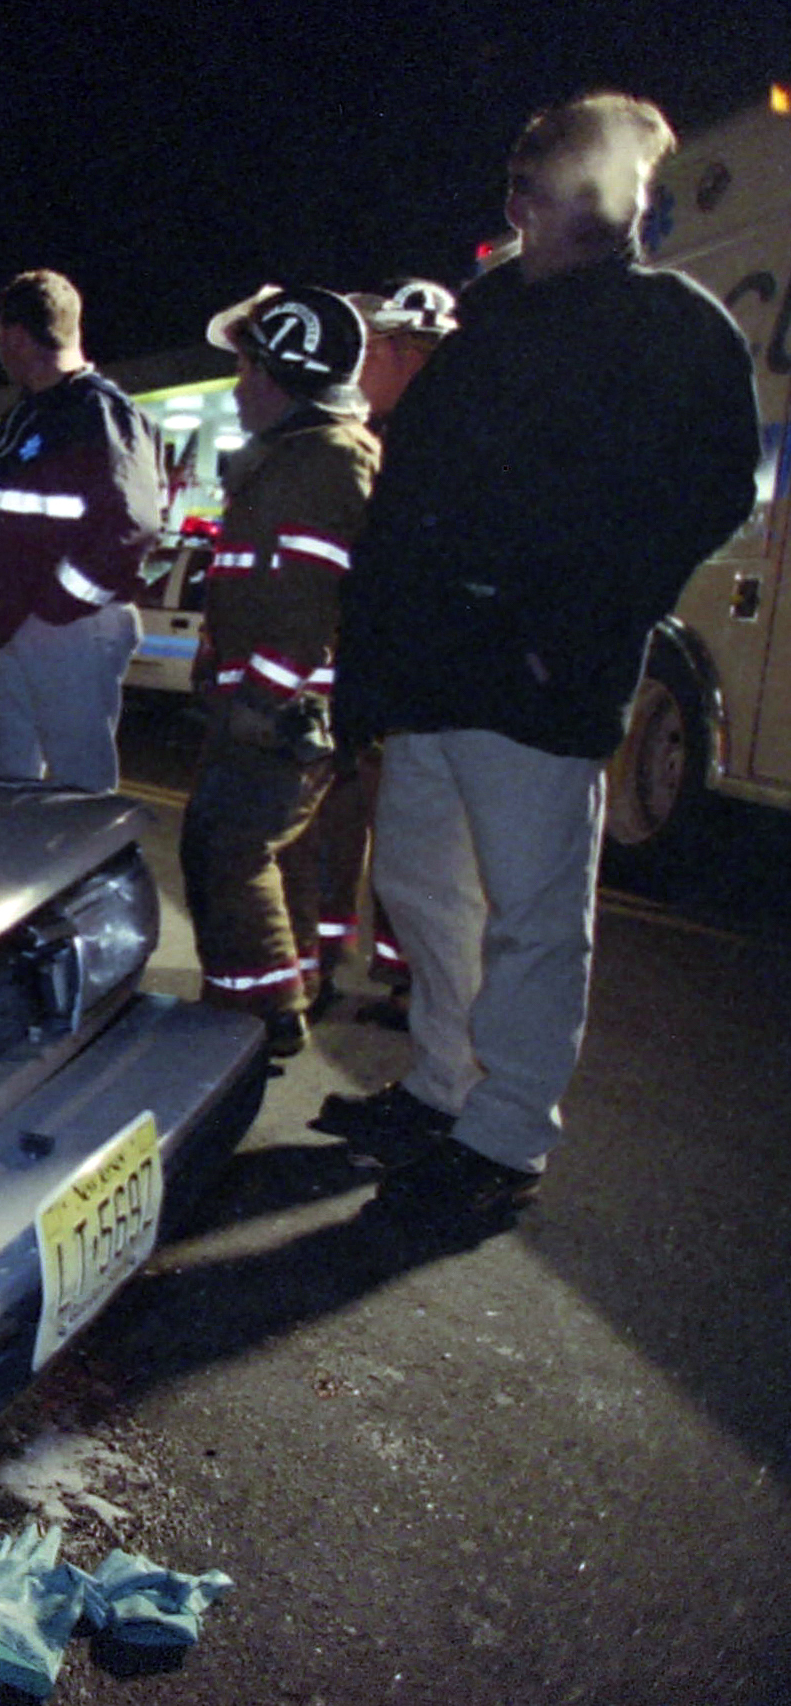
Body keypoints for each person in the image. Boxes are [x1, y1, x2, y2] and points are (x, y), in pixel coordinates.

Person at [323, 92, 761, 1226]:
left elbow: (714, 491)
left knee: (531, 918)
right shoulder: (486, 318)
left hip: (537, 683)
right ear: (525, 198)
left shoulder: (671, 324)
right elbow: (411, 498)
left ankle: (506, 1136)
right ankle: (442, 1088)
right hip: (435, 674)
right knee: (423, 891)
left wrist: (570, 630)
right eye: (571, 182)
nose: (622, 204)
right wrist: (372, 667)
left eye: (625, 184)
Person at [180, 285, 380, 1058]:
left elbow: (306, 603)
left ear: (274, 372)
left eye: (243, 367)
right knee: (275, 850)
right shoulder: (300, 457)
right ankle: (283, 996)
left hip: (283, 709)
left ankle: (252, 1015)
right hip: (280, 702)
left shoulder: (318, 463)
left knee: (226, 846)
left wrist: (261, 694)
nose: (236, 385)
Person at [0, 269, 161, 793]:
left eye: (0, 338)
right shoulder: (33, 415)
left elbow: (134, 523)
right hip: (25, 625)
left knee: (77, 787)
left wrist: (56, 605)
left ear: (16, 337)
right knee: (5, 775)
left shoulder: (96, 411)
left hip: (65, 628)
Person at [306, 279, 459, 1024]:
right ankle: (347, 962)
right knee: (355, 828)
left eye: (371, 353)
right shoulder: (399, 436)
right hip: (376, 673)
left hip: (402, 680)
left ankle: (401, 977)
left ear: (402, 350)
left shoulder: (427, 443)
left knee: (400, 837)